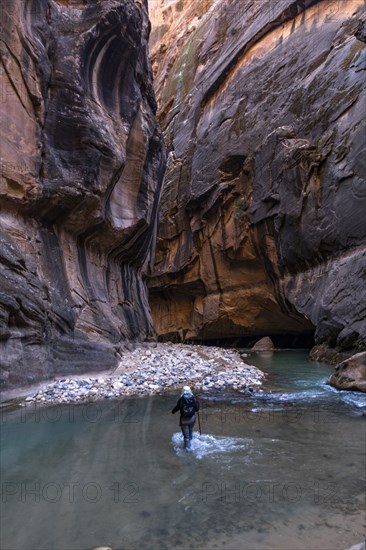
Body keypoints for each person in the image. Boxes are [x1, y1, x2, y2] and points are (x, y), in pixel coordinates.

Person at [172, 386, 200, 450]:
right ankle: (191, 442)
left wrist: (172, 412)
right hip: (192, 419)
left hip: (184, 420)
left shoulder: (181, 399)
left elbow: (177, 408)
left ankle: (188, 450)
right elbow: (197, 409)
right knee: (190, 432)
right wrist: (197, 403)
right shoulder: (193, 398)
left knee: (186, 437)